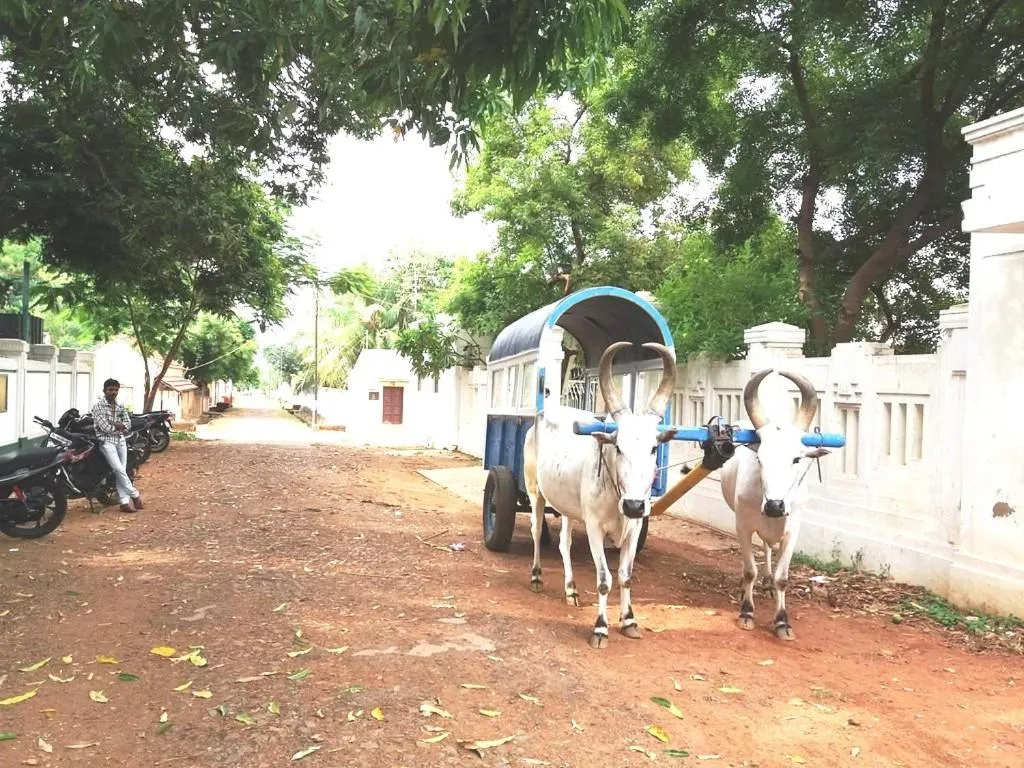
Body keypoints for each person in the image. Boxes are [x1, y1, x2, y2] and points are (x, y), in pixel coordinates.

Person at [92, 378, 145, 513]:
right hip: (106, 442)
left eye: (116, 390)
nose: (113, 392)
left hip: (121, 441)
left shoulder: (120, 406)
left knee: (122, 469)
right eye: (110, 389)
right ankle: (135, 495)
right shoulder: (98, 407)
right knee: (118, 469)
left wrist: (116, 424)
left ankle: (124, 502)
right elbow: (104, 428)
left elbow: (127, 424)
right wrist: (118, 425)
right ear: (104, 391)